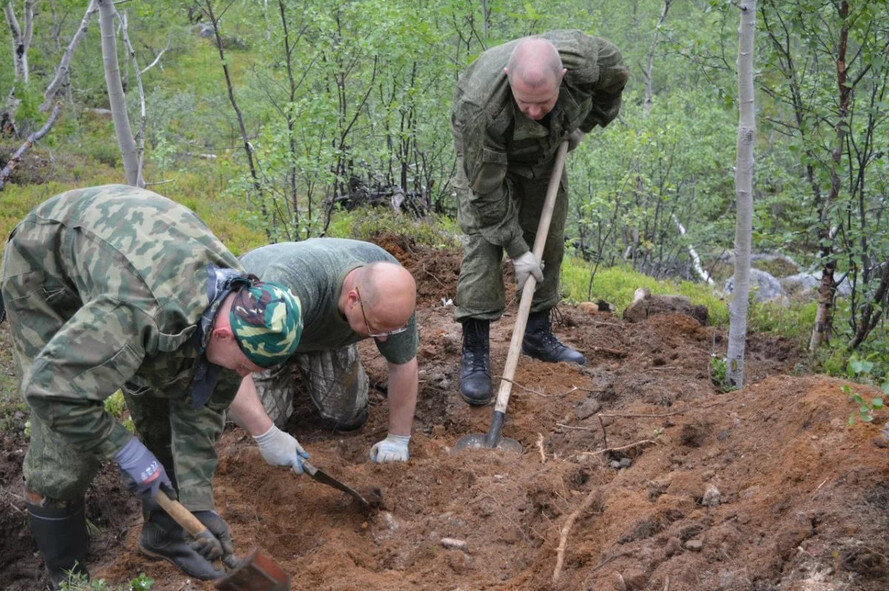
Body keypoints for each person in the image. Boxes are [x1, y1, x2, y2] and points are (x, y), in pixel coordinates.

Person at [0, 185, 303, 589]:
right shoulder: (141, 309)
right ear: (225, 334)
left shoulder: (244, 308)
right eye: (246, 366)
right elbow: (51, 390)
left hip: (125, 267)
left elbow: (203, 402)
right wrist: (126, 451)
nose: (245, 375)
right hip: (48, 273)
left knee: (167, 403)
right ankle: (67, 575)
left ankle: (165, 536)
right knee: (67, 448)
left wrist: (198, 506)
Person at [451, 30, 629, 405]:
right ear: (507, 77)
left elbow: (616, 80)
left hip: (545, 152)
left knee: (548, 240)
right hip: (488, 156)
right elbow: (486, 195)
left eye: (543, 102)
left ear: (562, 77)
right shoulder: (479, 108)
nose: (533, 111)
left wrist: (586, 122)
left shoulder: (589, 62)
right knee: (485, 245)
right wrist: (517, 252)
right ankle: (476, 351)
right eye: (525, 103)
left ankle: (536, 334)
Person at [226, 238, 419, 469]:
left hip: (318, 332)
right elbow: (233, 360)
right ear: (353, 300)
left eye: (392, 329)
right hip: (261, 330)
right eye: (375, 327)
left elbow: (403, 364)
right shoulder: (286, 285)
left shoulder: (393, 292)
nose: (385, 338)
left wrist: (398, 439)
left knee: (347, 417)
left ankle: (308, 358)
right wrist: (266, 434)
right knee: (266, 418)